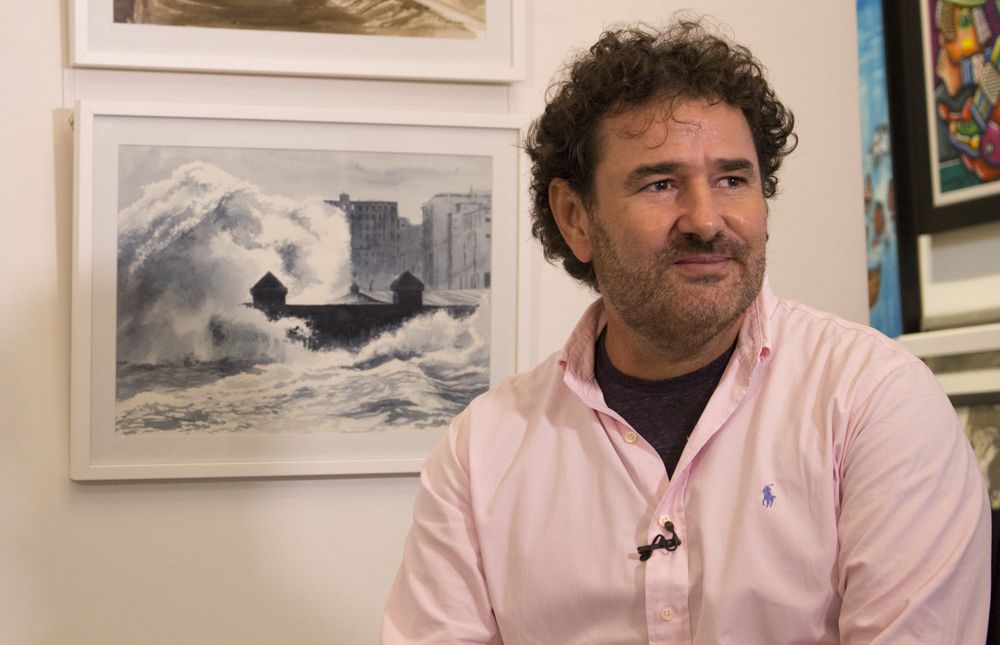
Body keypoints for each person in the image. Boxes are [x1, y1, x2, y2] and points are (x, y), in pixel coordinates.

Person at [381, 19, 991, 644]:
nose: (705, 219)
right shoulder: (481, 454)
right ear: (575, 218)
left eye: (732, 180)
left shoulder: (874, 403)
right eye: (662, 184)